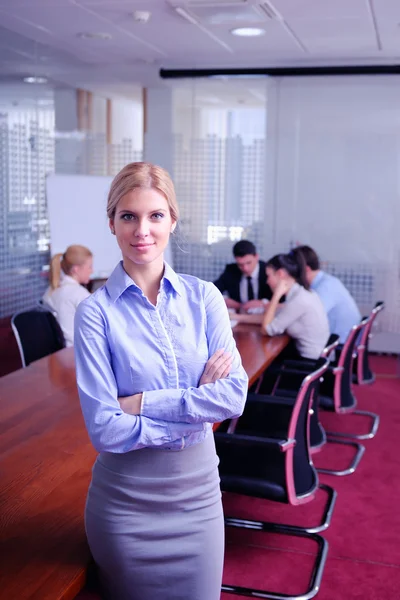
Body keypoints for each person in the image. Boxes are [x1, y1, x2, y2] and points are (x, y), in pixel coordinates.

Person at [74, 162, 248, 600]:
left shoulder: (204, 297)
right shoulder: (94, 313)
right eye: (128, 216)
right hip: (126, 509)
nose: (142, 230)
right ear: (112, 222)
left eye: (155, 215)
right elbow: (105, 429)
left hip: (199, 503)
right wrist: (195, 409)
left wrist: (141, 402)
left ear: (173, 220)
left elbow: (233, 395)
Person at [261, 249, 329, 359]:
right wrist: (239, 318)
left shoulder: (299, 300)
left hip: (309, 362)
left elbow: (267, 330)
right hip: (316, 357)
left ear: (280, 274)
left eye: (268, 276)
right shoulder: (303, 293)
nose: (267, 281)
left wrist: (276, 296)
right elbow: (273, 317)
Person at [297, 245, 362, 344]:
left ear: (306, 269)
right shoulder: (326, 281)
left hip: (339, 344)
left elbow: (309, 317)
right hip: (341, 341)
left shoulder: (325, 287)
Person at [43, 245, 93, 347]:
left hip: (59, 354)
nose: (92, 271)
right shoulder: (79, 294)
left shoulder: (51, 289)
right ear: (76, 269)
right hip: (75, 351)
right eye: (90, 267)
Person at [213, 239, 273, 312]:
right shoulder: (231, 271)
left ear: (256, 257)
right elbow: (213, 291)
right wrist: (224, 299)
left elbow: (281, 299)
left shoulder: (268, 271)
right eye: (240, 264)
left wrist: (264, 302)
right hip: (239, 316)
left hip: (264, 316)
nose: (245, 268)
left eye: (248, 263)